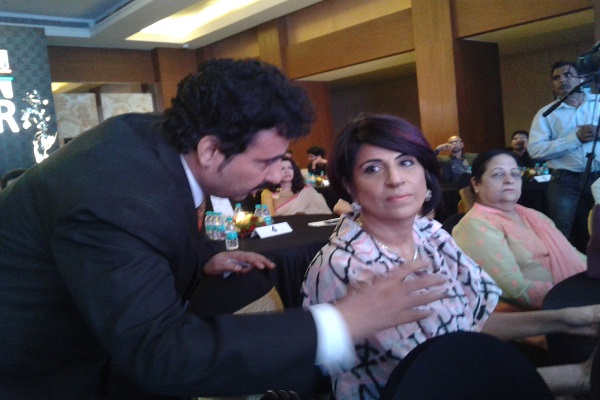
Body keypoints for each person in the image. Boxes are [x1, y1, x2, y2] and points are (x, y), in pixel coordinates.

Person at [0, 59, 452, 399]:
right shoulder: (114, 197)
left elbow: (158, 227)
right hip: (43, 371)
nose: (276, 176)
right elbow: (162, 353)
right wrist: (345, 320)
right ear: (211, 150)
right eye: (266, 161)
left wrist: (202, 255)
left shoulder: (159, 142)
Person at [302, 113, 600, 400]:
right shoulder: (342, 266)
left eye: (406, 162)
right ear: (350, 186)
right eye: (373, 169)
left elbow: (472, 322)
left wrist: (570, 319)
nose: (396, 179)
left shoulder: (430, 234)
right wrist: (578, 376)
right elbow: (436, 376)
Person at [452, 150, 586, 310]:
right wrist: (579, 296)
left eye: (515, 174)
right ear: (476, 184)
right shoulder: (475, 225)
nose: (509, 180)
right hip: (545, 314)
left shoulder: (534, 216)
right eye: (498, 174)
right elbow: (514, 289)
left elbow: (573, 255)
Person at [528, 61, 600, 252]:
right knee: (562, 232)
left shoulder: (598, 103)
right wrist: (574, 139)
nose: (562, 80)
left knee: (597, 228)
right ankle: (566, 268)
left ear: (581, 78)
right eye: (556, 78)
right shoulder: (546, 114)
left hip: (599, 178)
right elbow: (534, 150)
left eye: (567, 75)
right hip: (565, 181)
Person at [261, 157, 331, 216]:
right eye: (282, 168)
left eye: (290, 168)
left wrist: (304, 213)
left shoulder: (307, 191)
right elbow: (268, 218)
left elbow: (323, 214)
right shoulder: (267, 193)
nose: (287, 171)